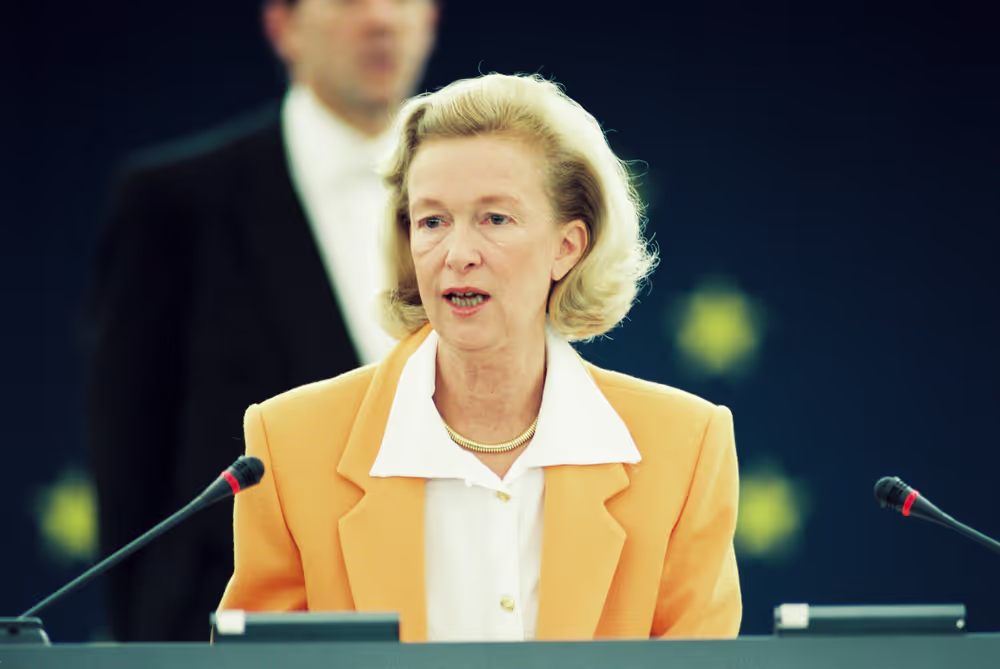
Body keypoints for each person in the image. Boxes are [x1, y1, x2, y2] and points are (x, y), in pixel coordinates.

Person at [218, 73, 741, 641]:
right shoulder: (289, 444)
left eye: (495, 219)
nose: (457, 254)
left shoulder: (685, 447)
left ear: (568, 247)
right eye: (432, 221)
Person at [85, 0, 439, 642]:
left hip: (444, 618)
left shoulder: (494, 202)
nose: (382, 19)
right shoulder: (173, 202)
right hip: (239, 628)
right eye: (350, 2)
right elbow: (129, 453)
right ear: (284, 26)